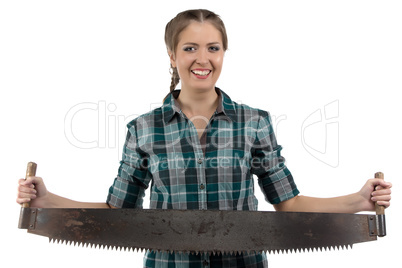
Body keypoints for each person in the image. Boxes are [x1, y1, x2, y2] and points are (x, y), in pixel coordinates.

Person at [17, 9, 392, 268]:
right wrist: (48, 202)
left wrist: (359, 200)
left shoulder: (254, 122)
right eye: (190, 48)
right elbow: (119, 215)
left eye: (213, 47)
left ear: (224, 53)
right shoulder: (143, 129)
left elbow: (289, 206)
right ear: (171, 55)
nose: (203, 58)